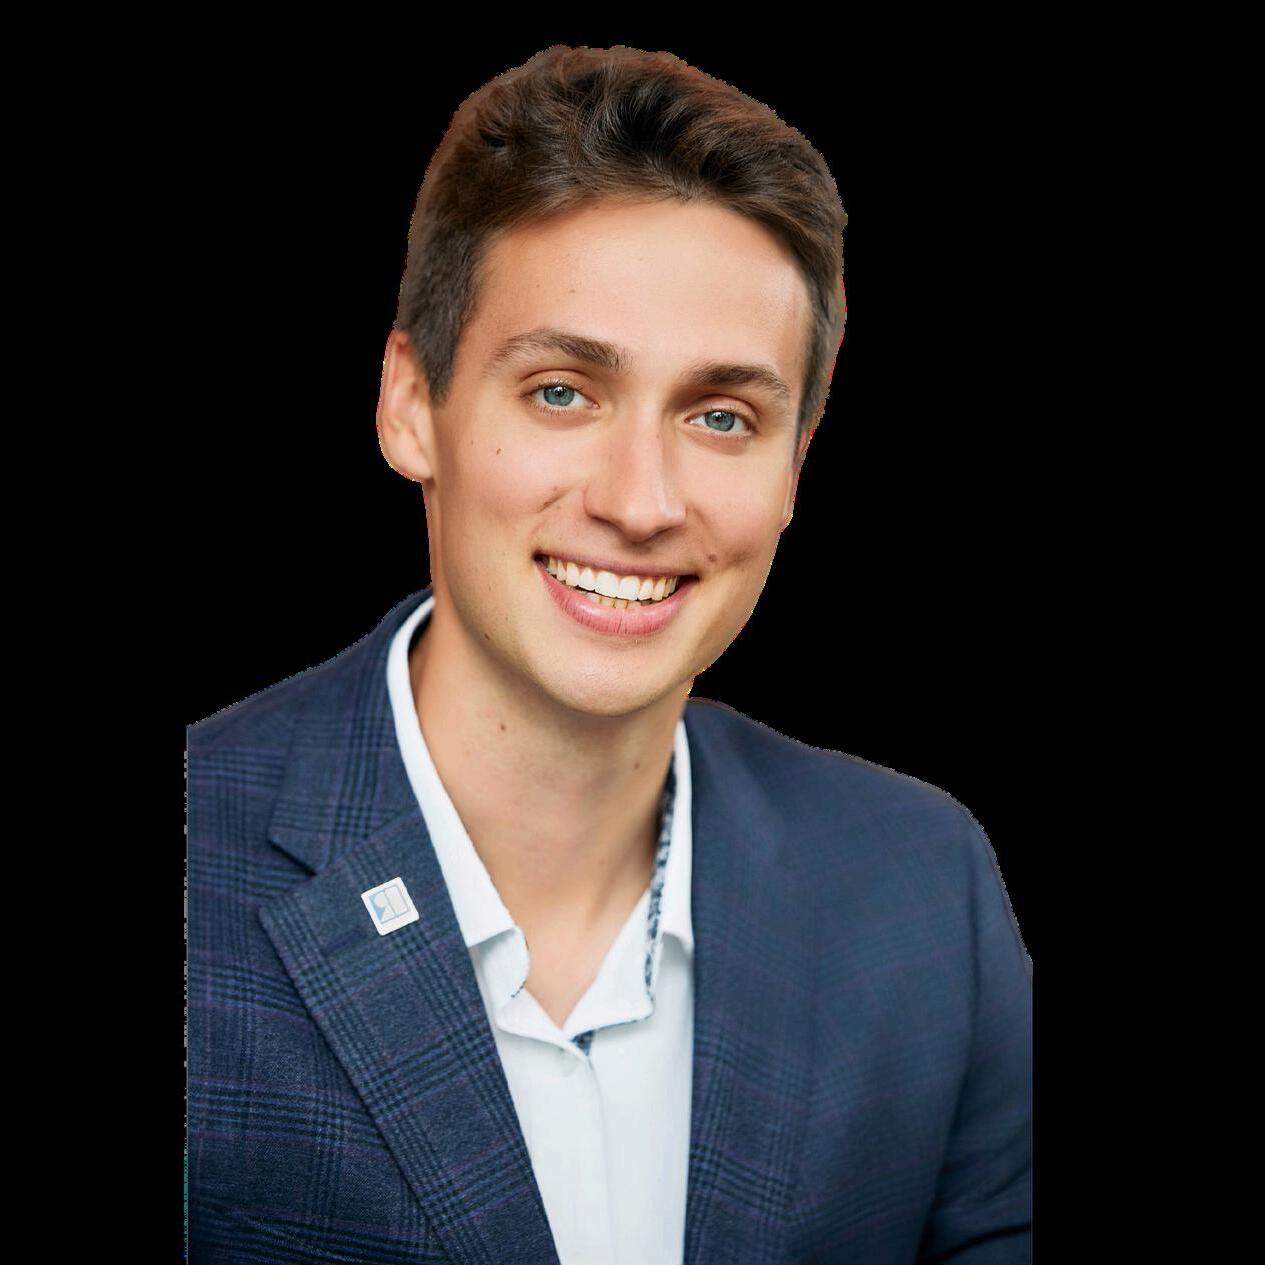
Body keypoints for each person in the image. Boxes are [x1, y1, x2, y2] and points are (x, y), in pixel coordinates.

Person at [187, 44, 1032, 1265]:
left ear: (794, 465)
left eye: (720, 416)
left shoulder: (920, 887)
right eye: (561, 392)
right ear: (410, 404)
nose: (639, 502)